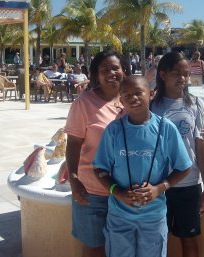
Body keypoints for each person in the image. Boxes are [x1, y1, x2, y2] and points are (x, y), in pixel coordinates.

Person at [93, 75, 192, 257]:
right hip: (119, 216)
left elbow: (184, 166)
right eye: (126, 95)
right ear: (121, 100)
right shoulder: (113, 130)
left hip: (153, 217)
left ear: (151, 94)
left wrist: (159, 188)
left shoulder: (166, 128)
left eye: (138, 93)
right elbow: (99, 169)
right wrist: (118, 192)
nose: (133, 98)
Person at [64, 50, 128, 257]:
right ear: (96, 75)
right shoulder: (83, 103)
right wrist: (74, 179)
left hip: (125, 191)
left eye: (115, 68)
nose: (111, 73)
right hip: (92, 191)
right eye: (105, 70)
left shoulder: (133, 101)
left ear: (124, 71)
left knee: (123, 246)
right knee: (94, 247)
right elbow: (73, 144)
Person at [150, 51, 204, 257]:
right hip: (158, 185)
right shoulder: (150, 105)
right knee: (158, 239)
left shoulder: (196, 104)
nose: (183, 78)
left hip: (189, 184)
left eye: (186, 74)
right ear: (163, 74)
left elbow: (200, 147)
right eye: (177, 73)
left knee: (190, 240)